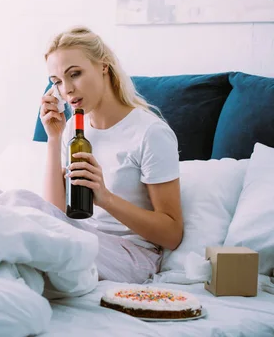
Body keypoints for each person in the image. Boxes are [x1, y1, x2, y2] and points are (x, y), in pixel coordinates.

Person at [39, 26, 183, 284]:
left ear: (103, 66)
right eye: (57, 82)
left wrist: (105, 198)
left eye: (75, 74)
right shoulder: (72, 129)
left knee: (24, 229)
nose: (67, 90)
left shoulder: (150, 132)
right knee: (7, 203)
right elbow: (54, 213)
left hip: (132, 255)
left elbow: (172, 234)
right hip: (82, 238)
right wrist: (53, 138)